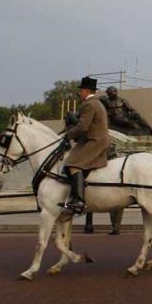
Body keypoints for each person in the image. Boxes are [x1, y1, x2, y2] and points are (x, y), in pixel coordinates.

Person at [62, 77, 110, 214]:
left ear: (86, 91)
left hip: (94, 140)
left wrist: (68, 134)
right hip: (97, 139)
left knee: (73, 164)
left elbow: (83, 127)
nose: (79, 94)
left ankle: (78, 201)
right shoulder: (97, 103)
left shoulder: (89, 104)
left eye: (80, 91)